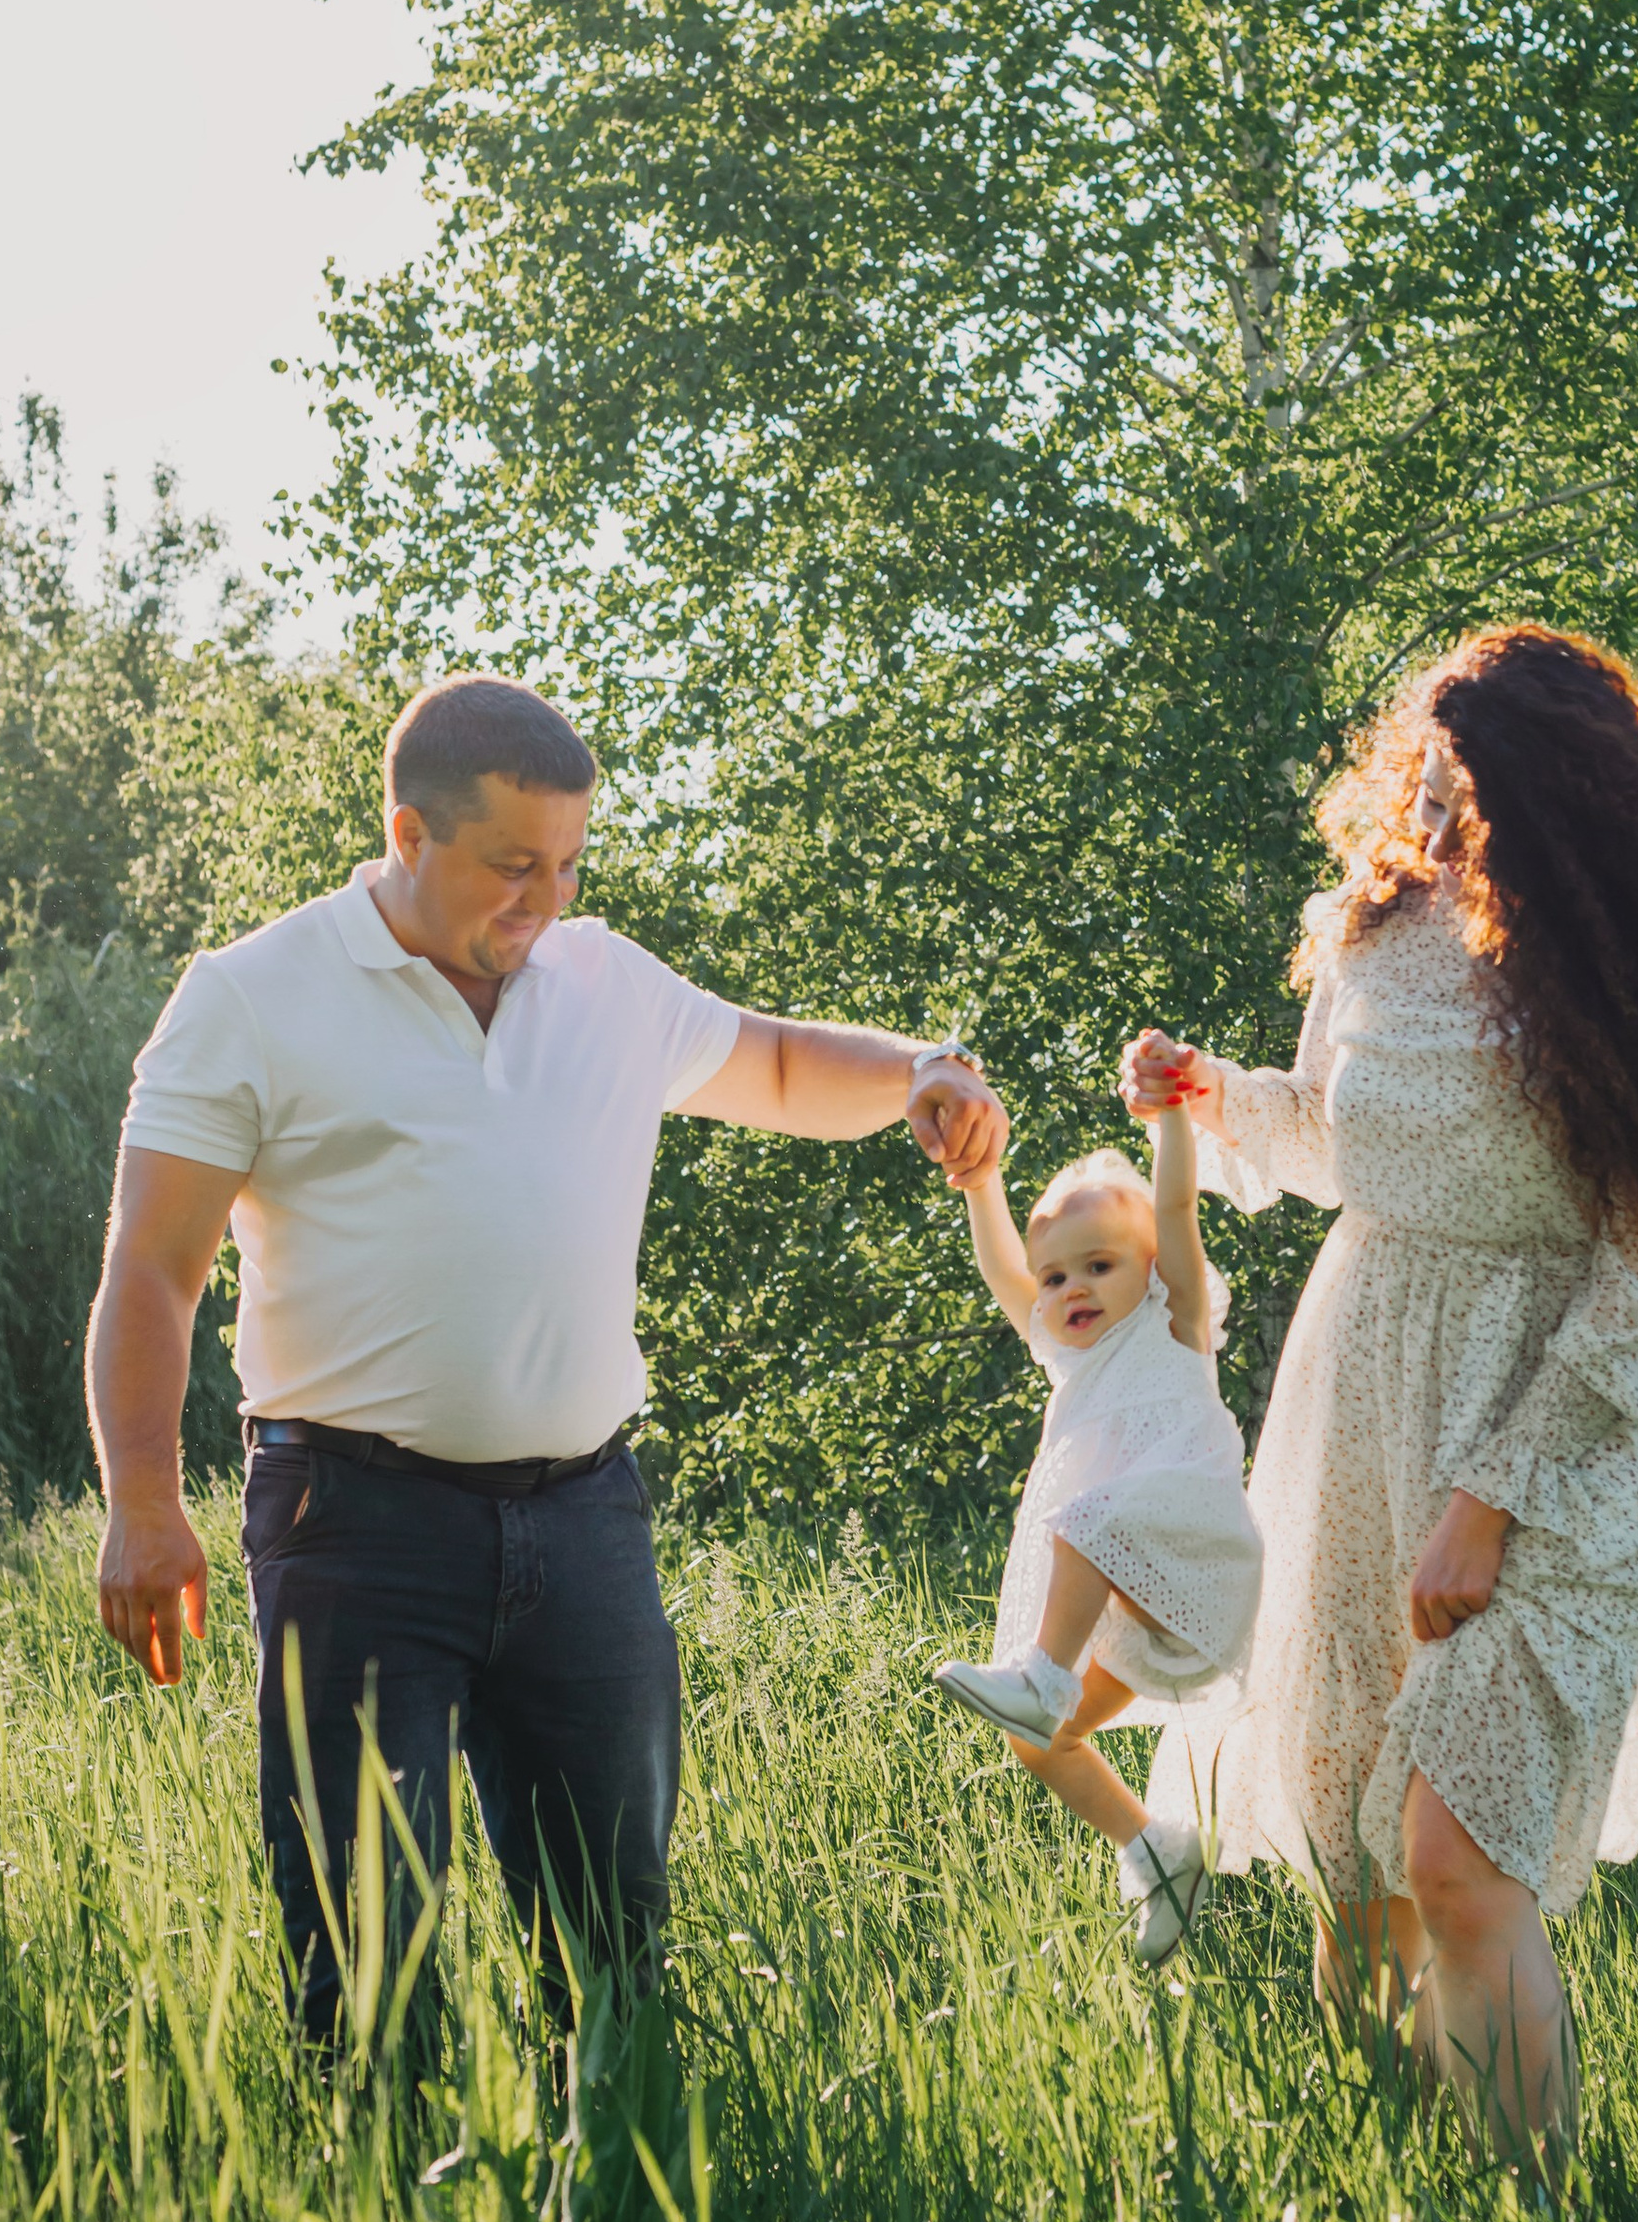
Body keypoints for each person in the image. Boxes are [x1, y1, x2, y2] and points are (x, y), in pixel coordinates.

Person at [85, 671, 1007, 2042]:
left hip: (583, 1520)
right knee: (365, 1940)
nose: (547, 901)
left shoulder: (604, 981)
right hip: (356, 1524)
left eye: (569, 864)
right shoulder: (251, 998)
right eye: (513, 867)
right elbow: (152, 1273)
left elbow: (771, 1064)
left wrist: (925, 1070)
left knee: (613, 1941)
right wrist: (144, 1505)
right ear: (409, 835)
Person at [1120, 624, 1638, 2170]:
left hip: (1572, 1433)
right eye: (1424, 776)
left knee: (1455, 1858)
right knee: (1350, 1860)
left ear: (1564, 805)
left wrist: (1487, 1503)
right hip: (1365, 1379)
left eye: (1469, 789)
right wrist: (1212, 1097)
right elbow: (1335, 1137)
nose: (1430, 814)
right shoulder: (1371, 926)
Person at [930, 1100, 1262, 1967]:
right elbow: (1006, 1268)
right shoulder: (1069, 1360)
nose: (1071, 1289)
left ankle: (1039, 1676)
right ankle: (1159, 1852)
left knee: (1084, 1521)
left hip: (1197, 1563)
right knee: (1039, 1741)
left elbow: (1180, 1210)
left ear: (1151, 1270)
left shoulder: (1176, 1327)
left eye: (1100, 1266)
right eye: (1057, 1278)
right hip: (1135, 1610)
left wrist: (1171, 1125)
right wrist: (981, 1181)